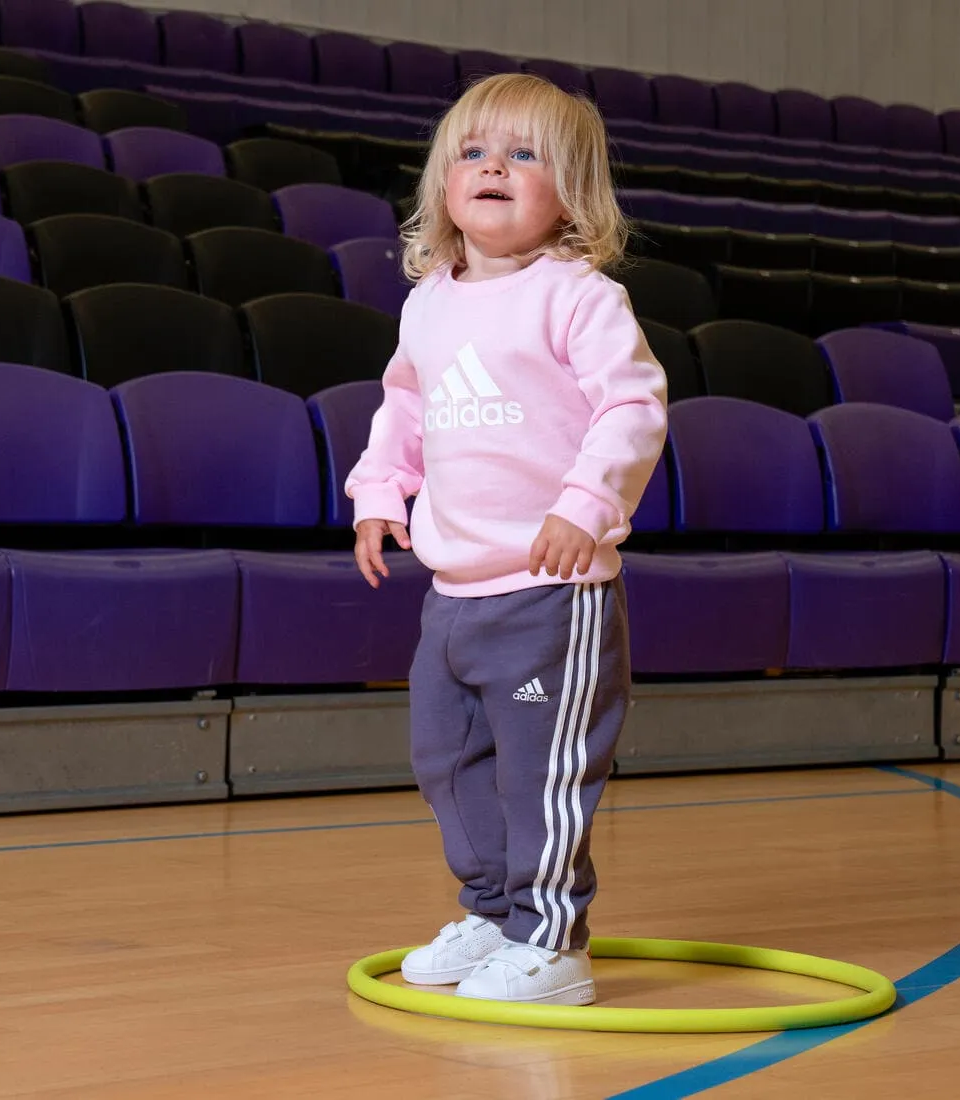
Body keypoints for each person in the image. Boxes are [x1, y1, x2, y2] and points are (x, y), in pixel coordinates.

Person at [346, 71, 667, 1006]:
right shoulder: (429, 302)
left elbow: (633, 408)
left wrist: (585, 501)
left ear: (570, 190)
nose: (494, 167)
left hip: (551, 593)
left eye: (523, 155)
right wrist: (378, 491)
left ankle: (552, 937)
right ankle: (490, 913)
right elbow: (404, 407)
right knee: (447, 761)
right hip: (453, 594)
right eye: (475, 152)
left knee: (540, 771)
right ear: (444, 181)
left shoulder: (579, 297)